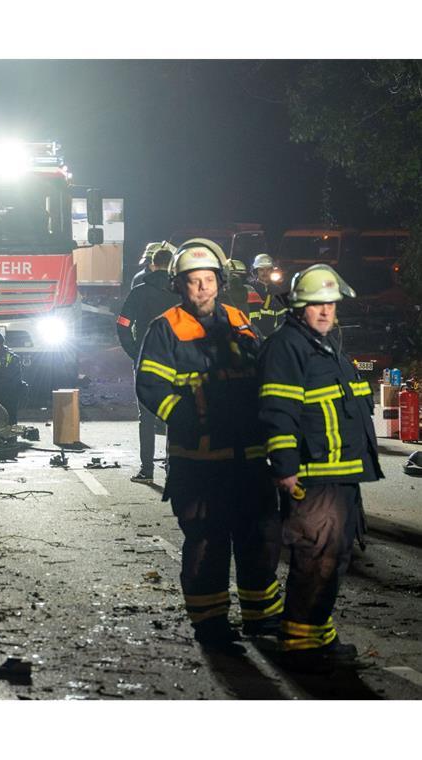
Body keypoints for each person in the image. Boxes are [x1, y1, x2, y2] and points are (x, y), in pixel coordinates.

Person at [135, 238, 283, 648]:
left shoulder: (239, 320)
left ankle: (262, 617)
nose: (202, 288)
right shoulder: (165, 328)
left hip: (248, 458)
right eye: (193, 281)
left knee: (260, 537)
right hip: (198, 462)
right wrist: (187, 418)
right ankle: (211, 624)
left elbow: (261, 372)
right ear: (178, 285)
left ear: (220, 282)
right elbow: (149, 386)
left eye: (208, 280)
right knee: (207, 543)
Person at [257, 263, 383, 672]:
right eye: (316, 304)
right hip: (314, 474)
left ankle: (314, 635)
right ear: (299, 307)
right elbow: (278, 408)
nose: (326, 311)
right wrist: (286, 467)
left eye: (330, 303)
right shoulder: (288, 346)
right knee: (316, 557)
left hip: (339, 471)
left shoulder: (323, 344)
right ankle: (301, 644)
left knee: (332, 557)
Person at [116, 244, 178, 482]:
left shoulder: (139, 292)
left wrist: (134, 352)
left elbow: (123, 324)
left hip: (146, 362)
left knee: (147, 418)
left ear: (152, 265)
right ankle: (172, 468)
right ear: (172, 266)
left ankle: (147, 471)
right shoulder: (183, 293)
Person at [247, 253, 289, 338]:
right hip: (253, 335)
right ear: (256, 271)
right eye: (261, 270)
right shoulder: (249, 288)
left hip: (272, 335)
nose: (265, 273)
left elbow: (283, 315)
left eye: (268, 270)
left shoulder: (278, 290)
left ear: (272, 271)